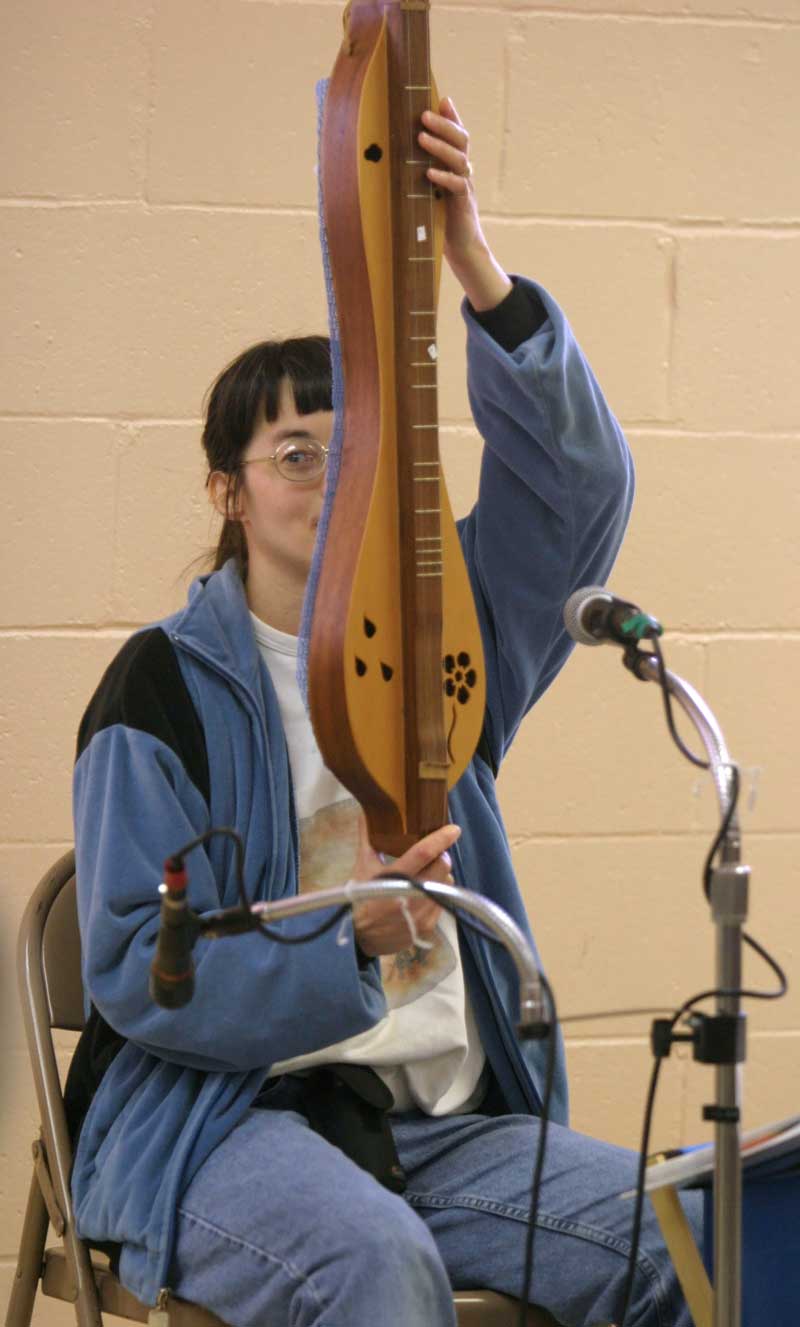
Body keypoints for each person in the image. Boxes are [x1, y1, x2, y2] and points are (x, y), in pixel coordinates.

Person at [66, 97, 701, 1326]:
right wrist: (346, 937)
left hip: (444, 1121)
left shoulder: (438, 642)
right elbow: (138, 970)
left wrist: (472, 260)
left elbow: (578, 497)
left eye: (349, 448)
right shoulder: (160, 686)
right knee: (375, 1266)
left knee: (686, 1231)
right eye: (294, 453)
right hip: (226, 1122)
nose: (329, 475)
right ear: (226, 490)